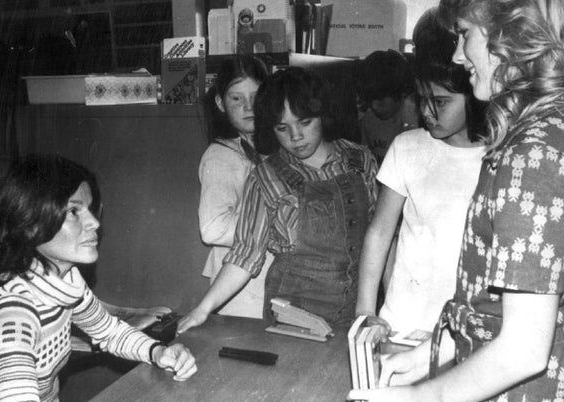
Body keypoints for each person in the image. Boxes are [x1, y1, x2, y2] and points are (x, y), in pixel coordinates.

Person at [348, 0, 564, 402]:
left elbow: (522, 346)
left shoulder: (535, 157)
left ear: (511, 39)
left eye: (466, 35)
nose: (458, 55)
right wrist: (429, 357)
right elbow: (519, 305)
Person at [0, 155, 227, 402]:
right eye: (74, 211)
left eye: (90, 210)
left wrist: (158, 352)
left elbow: (108, 331)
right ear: (31, 222)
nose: (95, 224)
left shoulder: (61, 279)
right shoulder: (12, 315)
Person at [179, 67, 378, 333]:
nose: (296, 137)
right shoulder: (266, 177)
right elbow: (245, 255)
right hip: (294, 315)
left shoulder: (360, 160)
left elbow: (382, 238)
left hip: (356, 307)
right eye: (282, 128)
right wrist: (203, 309)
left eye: (305, 123)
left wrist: (376, 309)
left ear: (323, 116)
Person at [355, 7, 487, 338]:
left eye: (441, 103)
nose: (427, 112)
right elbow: (379, 233)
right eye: (422, 99)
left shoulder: (498, 157)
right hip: (401, 320)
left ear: (472, 98)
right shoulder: (407, 147)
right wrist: (365, 311)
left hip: (461, 329)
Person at [198, 55, 272, 319]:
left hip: (260, 279)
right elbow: (212, 228)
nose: (248, 106)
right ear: (220, 103)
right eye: (236, 98)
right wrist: (274, 228)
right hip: (239, 290)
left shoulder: (263, 147)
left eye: (256, 96)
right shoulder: (221, 156)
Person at [356, 49, 418, 164]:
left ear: (401, 92)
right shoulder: (368, 120)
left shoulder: (414, 120)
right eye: (370, 99)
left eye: (381, 100)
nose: (374, 106)